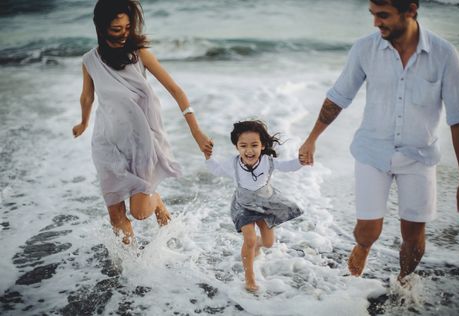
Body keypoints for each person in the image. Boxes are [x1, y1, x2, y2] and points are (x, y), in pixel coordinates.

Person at [299, 0, 459, 283]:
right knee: (367, 230)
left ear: (411, 10)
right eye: (373, 14)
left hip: (420, 156)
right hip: (372, 151)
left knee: (414, 235)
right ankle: (363, 246)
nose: (376, 23)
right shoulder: (365, 48)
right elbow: (339, 96)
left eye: (383, 16)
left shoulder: (444, 54)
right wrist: (312, 139)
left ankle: (403, 283)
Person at [72, 0, 213, 244]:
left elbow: (176, 90)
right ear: (102, 27)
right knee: (115, 214)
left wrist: (196, 132)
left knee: (139, 212)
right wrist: (83, 123)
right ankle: (130, 268)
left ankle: (155, 200)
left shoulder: (140, 54)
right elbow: (87, 96)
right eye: (117, 29)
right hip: (107, 142)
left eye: (127, 28)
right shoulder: (90, 61)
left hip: (142, 141)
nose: (124, 34)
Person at [205, 120, 304, 292]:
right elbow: (217, 170)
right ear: (237, 147)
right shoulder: (233, 163)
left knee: (268, 243)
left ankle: (256, 246)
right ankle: (249, 277)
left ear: (262, 145)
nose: (249, 150)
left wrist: (302, 160)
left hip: (265, 203)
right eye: (243, 145)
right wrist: (208, 157)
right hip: (243, 205)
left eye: (254, 145)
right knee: (249, 239)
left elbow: (288, 166)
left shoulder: (267, 161)